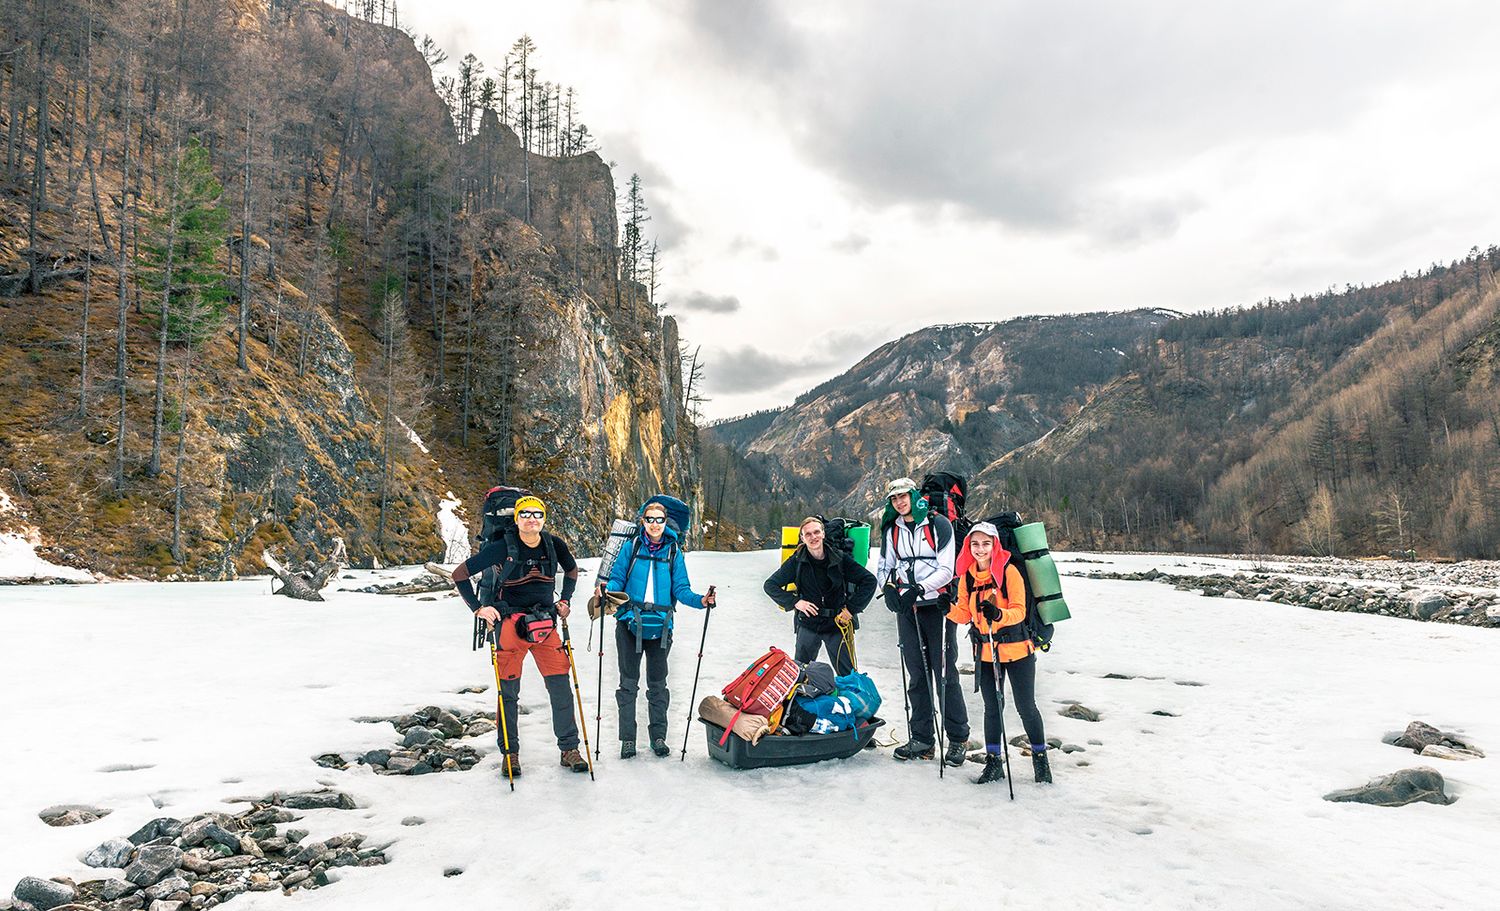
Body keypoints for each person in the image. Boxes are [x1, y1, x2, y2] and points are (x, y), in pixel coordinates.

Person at [451, 494, 587, 778]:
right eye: (525, 514)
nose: (531, 519)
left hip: (546, 624)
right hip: (510, 625)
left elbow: (571, 570)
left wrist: (566, 600)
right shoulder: (503, 547)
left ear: (544, 518)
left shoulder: (553, 545)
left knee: (560, 687)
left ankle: (569, 750)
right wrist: (479, 609)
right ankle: (510, 754)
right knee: (508, 694)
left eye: (537, 514)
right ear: (517, 518)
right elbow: (460, 574)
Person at [602, 496, 716, 759]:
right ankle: (628, 739)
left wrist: (701, 601)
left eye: (660, 520)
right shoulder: (631, 547)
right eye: (650, 519)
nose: (655, 524)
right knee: (628, 685)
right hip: (629, 623)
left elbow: (681, 589)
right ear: (643, 521)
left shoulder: (674, 552)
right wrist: (608, 595)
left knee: (658, 685)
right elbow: (618, 579)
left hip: (661, 627)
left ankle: (659, 737)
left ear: (666, 523)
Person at [946, 522, 1052, 784]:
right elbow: (963, 614)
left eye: (985, 543)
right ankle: (994, 763)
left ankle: (1041, 762)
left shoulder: (1010, 571)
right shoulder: (968, 576)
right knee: (992, 708)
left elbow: (1019, 610)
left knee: (1026, 707)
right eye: (975, 544)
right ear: (968, 547)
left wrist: (999, 615)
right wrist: (945, 608)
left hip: (1017, 651)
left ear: (995, 544)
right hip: (985, 652)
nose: (980, 549)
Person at [876, 477, 969, 766]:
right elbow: (884, 565)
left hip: (937, 606)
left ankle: (957, 738)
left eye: (904, 496)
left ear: (914, 496)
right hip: (907, 607)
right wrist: (888, 590)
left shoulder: (938, 524)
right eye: (894, 499)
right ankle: (922, 738)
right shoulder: (892, 529)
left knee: (943, 671)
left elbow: (947, 568)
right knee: (916, 673)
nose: (899, 502)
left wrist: (919, 589)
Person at [761, 516, 876, 675]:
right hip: (808, 624)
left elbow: (869, 581)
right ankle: (802, 699)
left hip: (837, 624)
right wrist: (795, 602)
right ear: (802, 538)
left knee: (847, 675)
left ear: (823, 534)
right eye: (808, 534)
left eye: (816, 532)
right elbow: (770, 585)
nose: (813, 537)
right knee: (800, 674)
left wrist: (851, 609)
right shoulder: (797, 560)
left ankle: (851, 699)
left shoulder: (840, 558)